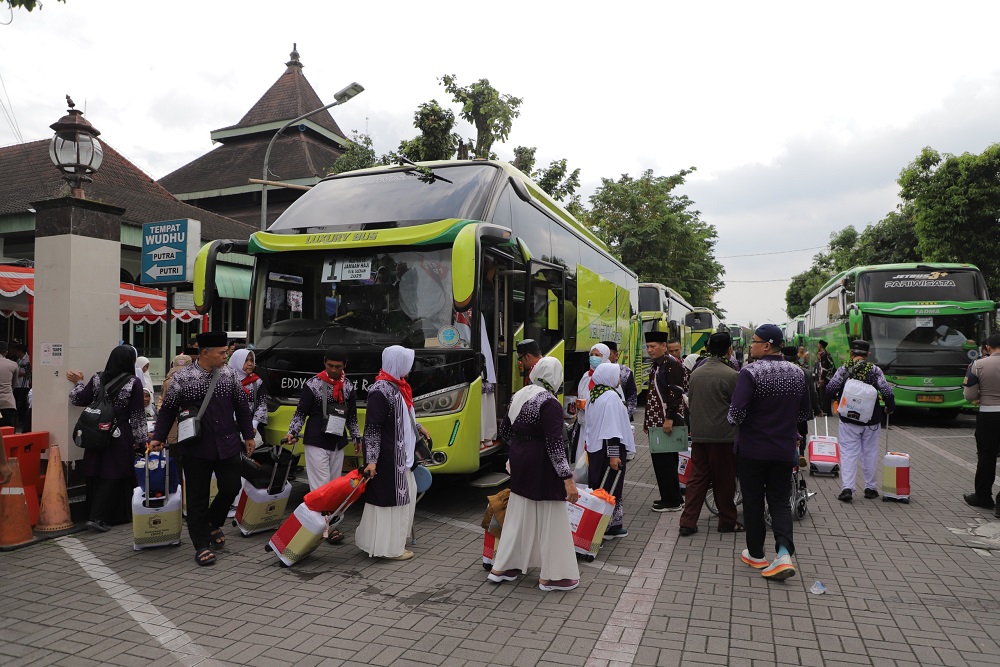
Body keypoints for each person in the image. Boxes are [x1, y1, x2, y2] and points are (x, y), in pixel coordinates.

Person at [151, 331, 255, 567]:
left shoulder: (229, 374)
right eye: (221, 353)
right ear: (205, 353)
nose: (225, 357)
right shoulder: (183, 378)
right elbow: (168, 409)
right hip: (196, 446)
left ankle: (212, 521)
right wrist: (159, 436)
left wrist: (248, 435)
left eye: (226, 352)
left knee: (231, 487)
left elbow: (241, 405)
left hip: (227, 443)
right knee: (196, 497)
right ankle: (201, 545)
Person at [488, 356, 580, 591]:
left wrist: (521, 448)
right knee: (553, 515)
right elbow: (554, 445)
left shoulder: (520, 394)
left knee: (520, 511)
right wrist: (567, 479)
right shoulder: (549, 402)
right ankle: (554, 576)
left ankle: (503, 567)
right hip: (542, 462)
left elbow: (505, 431)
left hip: (520, 458)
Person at [728, 324, 811, 581]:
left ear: (766, 345)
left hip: (753, 449)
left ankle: (756, 554)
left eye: (754, 341)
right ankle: (784, 554)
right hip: (783, 449)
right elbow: (802, 414)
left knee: (752, 500)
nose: (750, 346)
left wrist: (732, 417)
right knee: (779, 500)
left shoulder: (750, 372)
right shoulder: (798, 373)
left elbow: (737, 413)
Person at [357, 345, 430, 561]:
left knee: (405, 498)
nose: (409, 368)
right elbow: (372, 429)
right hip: (388, 458)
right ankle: (389, 548)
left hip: (402, 458)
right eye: (406, 363)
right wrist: (371, 461)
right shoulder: (380, 391)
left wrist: (419, 428)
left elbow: (404, 419)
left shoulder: (399, 387)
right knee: (390, 501)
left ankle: (394, 542)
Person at [66, 345, 148, 532]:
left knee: (95, 470)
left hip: (95, 432)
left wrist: (79, 382)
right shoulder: (133, 382)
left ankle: (92, 513)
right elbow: (137, 415)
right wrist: (142, 440)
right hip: (119, 434)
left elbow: (78, 399)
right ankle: (99, 517)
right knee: (114, 472)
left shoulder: (97, 378)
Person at [285, 348, 361, 543]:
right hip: (316, 441)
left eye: (338, 367)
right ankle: (326, 528)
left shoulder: (349, 386)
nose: (333, 370)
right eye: (330, 366)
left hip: (337, 442)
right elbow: (300, 412)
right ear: (324, 363)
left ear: (345, 366)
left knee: (334, 486)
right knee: (321, 487)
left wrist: (357, 438)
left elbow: (351, 417)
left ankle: (328, 524)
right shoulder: (313, 384)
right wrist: (292, 432)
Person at [680, 332, 740, 536]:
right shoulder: (731, 375)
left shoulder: (696, 373)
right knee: (724, 480)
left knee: (697, 479)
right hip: (723, 436)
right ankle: (727, 521)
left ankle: (688, 521)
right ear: (728, 349)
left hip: (699, 435)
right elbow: (738, 407)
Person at [824, 340, 895, 502]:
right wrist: (889, 408)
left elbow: (829, 389)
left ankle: (847, 488)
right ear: (868, 354)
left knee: (848, 452)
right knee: (869, 453)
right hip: (872, 419)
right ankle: (870, 488)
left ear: (851, 353)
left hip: (848, 419)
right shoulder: (875, 370)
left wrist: (837, 399)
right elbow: (887, 392)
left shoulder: (844, 368)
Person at [585, 362, 634, 539]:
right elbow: (612, 429)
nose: (619, 379)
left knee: (600, 486)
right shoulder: (611, 397)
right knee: (612, 487)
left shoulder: (595, 394)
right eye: (617, 375)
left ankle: (599, 524)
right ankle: (609, 527)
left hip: (596, 449)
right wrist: (614, 455)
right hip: (609, 450)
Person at [644, 332, 686, 512]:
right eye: (648, 347)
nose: (650, 350)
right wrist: (647, 422)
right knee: (661, 461)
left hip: (666, 421)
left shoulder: (671, 364)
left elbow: (675, 392)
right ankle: (669, 497)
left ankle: (672, 501)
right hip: (656, 420)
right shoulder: (658, 365)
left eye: (653, 346)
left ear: (663, 346)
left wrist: (669, 418)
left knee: (666, 461)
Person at [962, 333, 1000, 514]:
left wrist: (980, 398)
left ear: (988, 348)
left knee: (986, 456)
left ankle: (983, 496)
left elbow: (968, 395)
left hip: (988, 416)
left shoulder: (978, 364)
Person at [781, 346, 824, 466]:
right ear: (797, 358)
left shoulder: (778, 371)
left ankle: (785, 453)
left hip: (782, 410)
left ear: (783, 357)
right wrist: (817, 410)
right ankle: (800, 454)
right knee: (802, 430)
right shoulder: (806, 373)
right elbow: (812, 394)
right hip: (800, 409)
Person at [574, 343, 611, 461]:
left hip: (600, 426)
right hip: (585, 423)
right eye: (592, 354)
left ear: (605, 357)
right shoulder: (586, 375)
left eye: (597, 355)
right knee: (582, 459)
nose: (594, 357)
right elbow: (581, 393)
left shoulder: (609, 375)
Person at [228, 349, 268, 438]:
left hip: (250, 428)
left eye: (252, 360)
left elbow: (262, 405)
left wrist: (254, 424)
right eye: (246, 360)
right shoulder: (226, 381)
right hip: (228, 428)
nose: (250, 364)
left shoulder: (256, 382)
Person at [157, 354, 192, 445]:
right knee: (173, 446)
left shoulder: (198, 382)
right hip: (173, 421)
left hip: (190, 420)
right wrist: (161, 410)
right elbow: (162, 399)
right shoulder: (168, 382)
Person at [602, 341, 638, 421]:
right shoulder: (594, 373)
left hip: (621, 417)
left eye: (608, 355)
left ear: (616, 355)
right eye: (602, 355)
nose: (604, 358)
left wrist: (625, 417)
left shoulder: (625, 372)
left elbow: (632, 397)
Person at [10, 342, 30, 428]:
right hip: (17, 384)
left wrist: (20, 373)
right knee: (17, 401)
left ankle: (22, 420)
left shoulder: (28, 359)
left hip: (24, 384)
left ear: (20, 351)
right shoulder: (18, 360)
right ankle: (19, 419)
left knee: (23, 403)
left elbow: (28, 372)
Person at [0, 342, 19, 428]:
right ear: (6, 352)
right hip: (7, 403)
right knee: (7, 435)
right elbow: (14, 384)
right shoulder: (13, 364)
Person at [815, 339, 835, 413]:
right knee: (823, 394)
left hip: (826, 378)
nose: (817, 346)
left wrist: (822, 378)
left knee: (824, 395)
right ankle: (824, 410)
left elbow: (825, 368)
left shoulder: (824, 354)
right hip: (827, 377)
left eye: (818, 344)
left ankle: (825, 411)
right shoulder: (825, 354)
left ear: (820, 346)